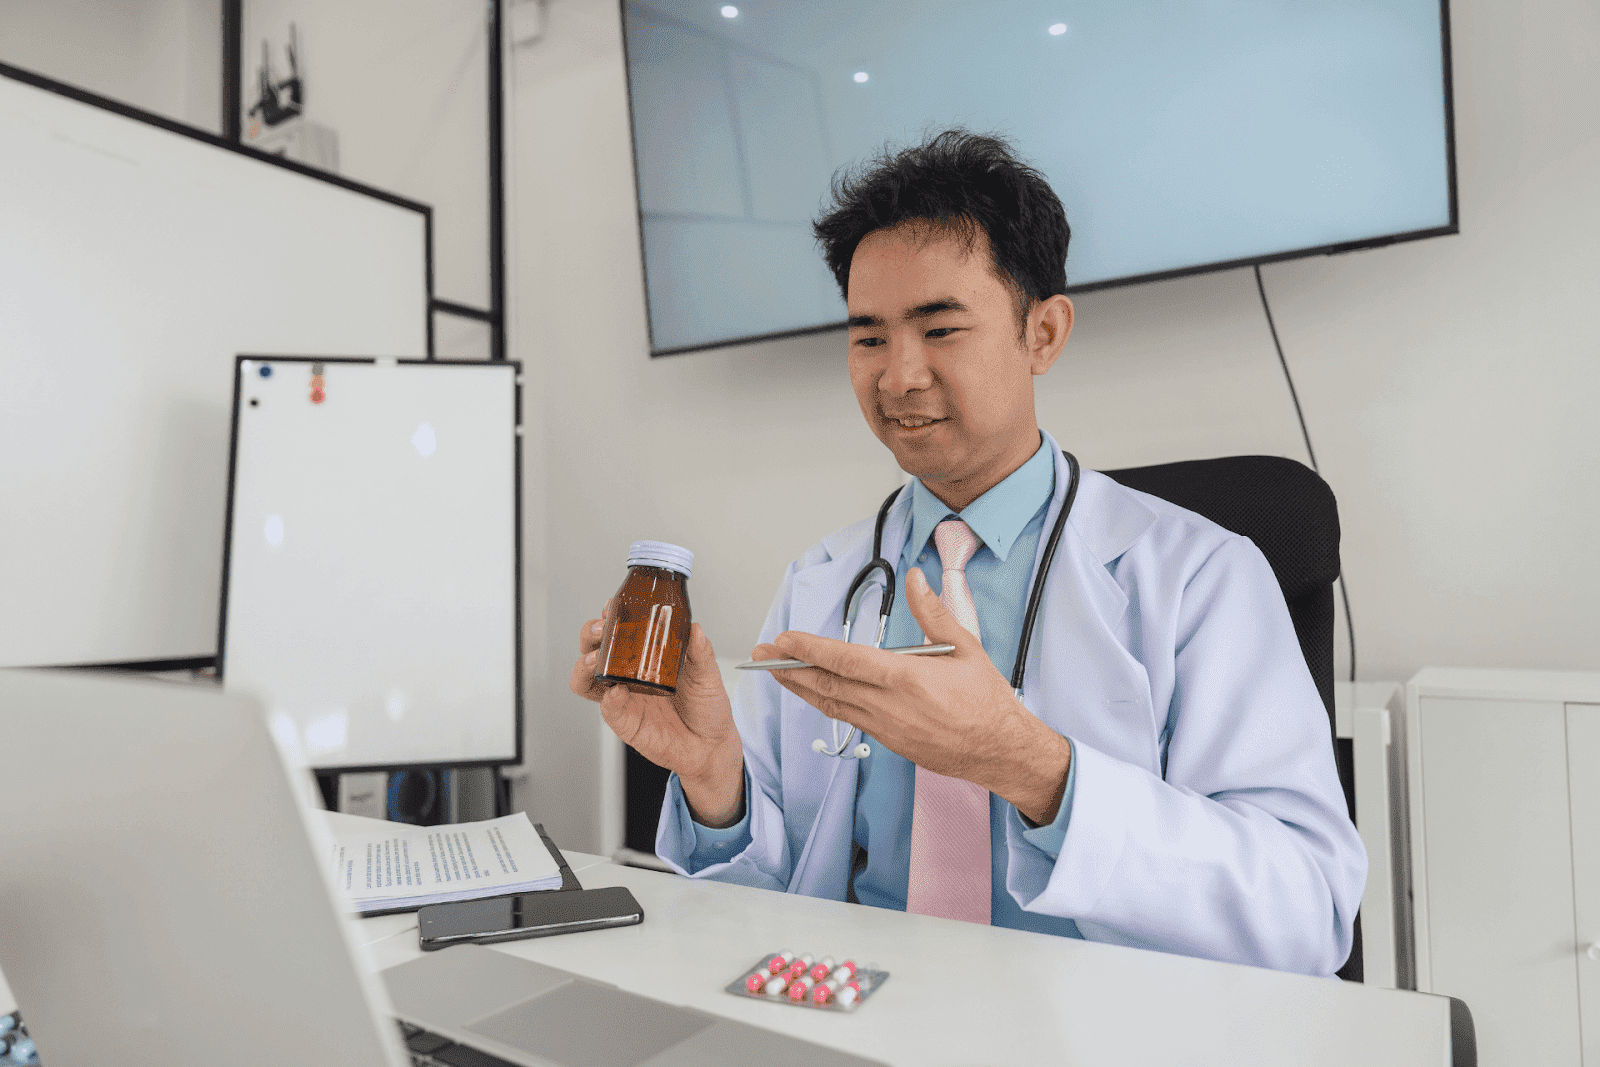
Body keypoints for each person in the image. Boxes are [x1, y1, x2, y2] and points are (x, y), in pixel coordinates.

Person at [572, 130, 1365, 977]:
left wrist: (1029, 766)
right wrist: (710, 777)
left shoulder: (1200, 574)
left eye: (941, 328)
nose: (898, 375)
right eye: (868, 337)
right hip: (860, 1020)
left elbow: (1308, 911)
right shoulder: (822, 582)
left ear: (1044, 333)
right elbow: (768, 897)